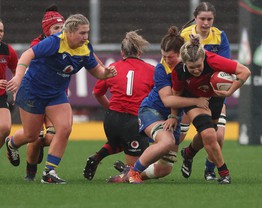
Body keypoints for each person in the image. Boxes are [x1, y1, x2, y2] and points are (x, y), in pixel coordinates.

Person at [6, 14, 117, 184]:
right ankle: (12, 143)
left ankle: (49, 172)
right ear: (70, 32)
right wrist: (19, 77)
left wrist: (105, 74)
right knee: (31, 135)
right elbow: (27, 54)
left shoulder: (85, 48)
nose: (86, 37)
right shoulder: (55, 42)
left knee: (65, 128)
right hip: (33, 91)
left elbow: (96, 71)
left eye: (87, 32)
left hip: (56, 94)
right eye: (82, 33)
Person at [107, 26, 209, 183]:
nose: (167, 60)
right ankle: (134, 172)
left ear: (181, 54)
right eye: (164, 56)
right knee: (166, 141)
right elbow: (168, 100)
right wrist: (195, 102)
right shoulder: (161, 69)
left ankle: (126, 177)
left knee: (164, 169)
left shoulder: (193, 66)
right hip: (152, 111)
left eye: (171, 57)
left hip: (173, 117)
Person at [172, 34, 250, 184]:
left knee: (210, 135)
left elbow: (245, 72)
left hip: (215, 98)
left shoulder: (213, 59)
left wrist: (229, 91)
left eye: (199, 66)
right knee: (209, 134)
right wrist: (174, 116)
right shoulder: (179, 71)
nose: (196, 70)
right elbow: (177, 95)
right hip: (193, 99)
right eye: (191, 67)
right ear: (184, 63)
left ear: (204, 59)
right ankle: (224, 173)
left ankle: (188, 153)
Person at [82, 30, 155, 181]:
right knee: (138, 172)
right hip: (133, 121)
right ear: (139, 52)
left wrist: (110, 108)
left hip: (111, 119)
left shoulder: (112, 67)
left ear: (122, 52)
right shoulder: (151, 70)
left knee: (119, 142)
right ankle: (121, 176)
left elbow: (97, 93)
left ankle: (97, 156)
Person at [179, 1, 231, 181]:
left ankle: (198, 160)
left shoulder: (220, 36)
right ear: (195, 18)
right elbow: (179, 65)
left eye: (209, 19)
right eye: (202, 19)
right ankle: (167, 160)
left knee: (217, 136)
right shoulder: (185, 35)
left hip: (213, 91)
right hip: (192, 92)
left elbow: (224, 66)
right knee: (185, 135)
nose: (206, 23)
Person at [24, 5, 65, 181]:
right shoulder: (38, 46)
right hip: (36, 95)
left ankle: (49, 171)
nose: (60, 31)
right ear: (47, 30)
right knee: (32, 137)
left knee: (52, 135)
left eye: (62, 28)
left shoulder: (68, 43)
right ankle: (30, 173)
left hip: (54, 97)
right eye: (56, 28)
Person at [0, 19, 18, 155]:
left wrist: (16, 85)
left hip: (1, 96)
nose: (0, 34)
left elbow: (17, 69)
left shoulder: (7, 50)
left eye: (1, 31)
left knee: (5, 128)